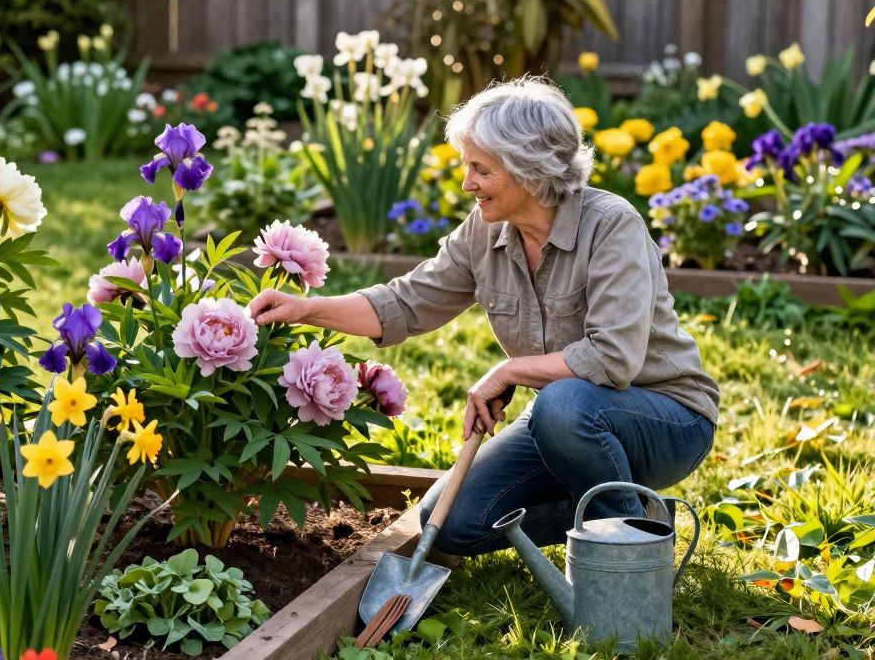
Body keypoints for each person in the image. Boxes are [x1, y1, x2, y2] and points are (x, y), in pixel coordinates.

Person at [247, 76, 718, 557]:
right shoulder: (485, 231)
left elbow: (612, 359)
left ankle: (627, 553)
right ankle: (632, 512)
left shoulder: (611, 225)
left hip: (665, 418)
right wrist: (306, 310)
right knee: (450, 522)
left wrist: (512, 370)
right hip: (566, 423)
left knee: (561, 406)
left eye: (481, 169)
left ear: (529, 170)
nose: (468, 182)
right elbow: (406, 302)